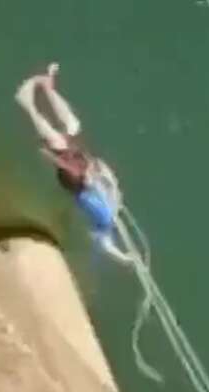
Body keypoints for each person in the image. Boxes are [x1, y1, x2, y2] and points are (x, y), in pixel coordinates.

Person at [15, 63, 133, 266]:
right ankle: (47, 87)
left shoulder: (101, 226)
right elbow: (111, 183)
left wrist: (124, 258)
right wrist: (106, 176)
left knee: (57, 142)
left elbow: (107, 246)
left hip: (77, 180)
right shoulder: (113, 207)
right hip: (87, 171)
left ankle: (27, 104)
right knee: (72, 125)